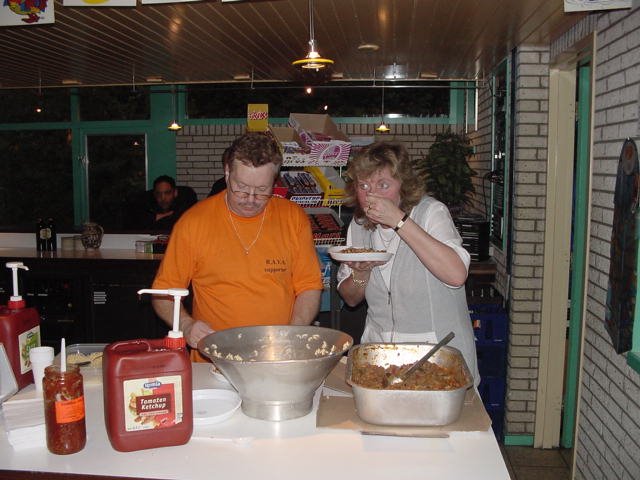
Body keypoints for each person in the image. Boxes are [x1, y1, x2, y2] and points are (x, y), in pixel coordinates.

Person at [152, 132, 323, 361]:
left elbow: (309, 287)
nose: (250, 199)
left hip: (278, 356)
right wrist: (186, 324)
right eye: (241, 187)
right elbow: (163, 293)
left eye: (262, 190)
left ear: (275, 181)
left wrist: (292, 334)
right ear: (227, 173)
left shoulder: (293, 218)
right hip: (214, 359)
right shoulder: (193, 223)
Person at [336, 141, 480, 384]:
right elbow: (351, 299)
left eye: (383, 185)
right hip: (380, 359)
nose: (371, 195)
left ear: (403, 185)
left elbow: (456, 275)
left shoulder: (431, 213)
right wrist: (361, 274)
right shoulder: (360, 226)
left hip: (436, 358)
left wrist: (399, 221)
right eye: (363, 186)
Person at [124, 175, 197, 232]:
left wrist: (158, 218)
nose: (163, 198)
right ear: (154, 194)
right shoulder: (146, 201)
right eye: (158, 194)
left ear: (175, 192)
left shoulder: (185, 199)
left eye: (167, 193)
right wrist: (158, 216)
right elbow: (133, 222)